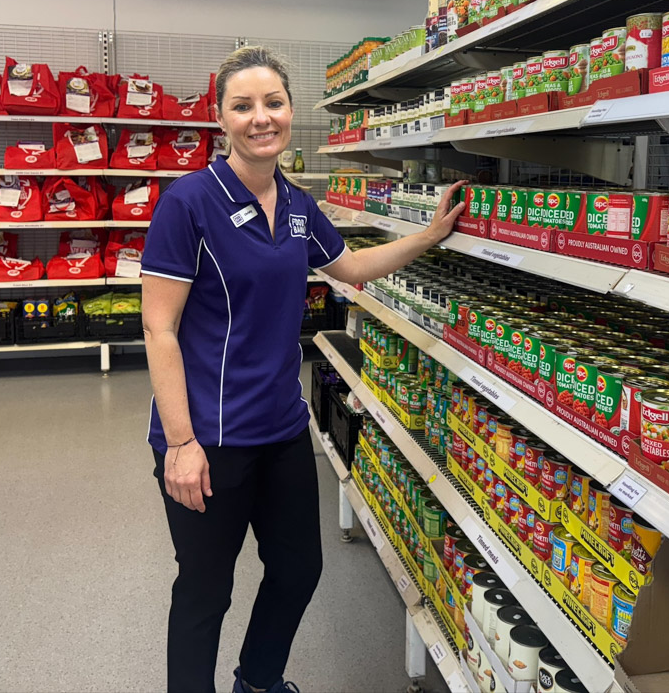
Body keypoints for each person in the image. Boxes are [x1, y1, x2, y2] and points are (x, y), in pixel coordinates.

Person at [141, 45, 465, 693]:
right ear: (221, 118)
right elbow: (159, 326)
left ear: (289, 111)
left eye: (272, 103)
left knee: (296, 570)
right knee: (205, 592)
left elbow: (350, 268)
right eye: (243, 106)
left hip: (282, 427)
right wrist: (180, 443)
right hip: (208, 437)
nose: (260, 118)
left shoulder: (296, 204)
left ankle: (257, 681)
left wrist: (429, 236)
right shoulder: (189, 203)